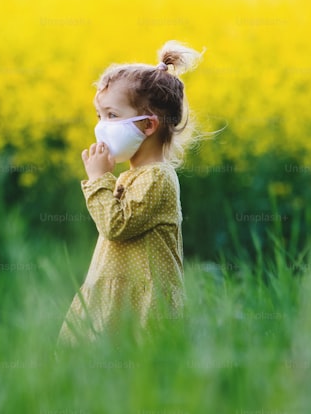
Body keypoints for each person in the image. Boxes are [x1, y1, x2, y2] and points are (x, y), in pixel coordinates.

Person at [57, 40, 205, 347]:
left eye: (111, 115)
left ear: (149, 125)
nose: (101, 127)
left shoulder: (157, 178)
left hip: (144, 304)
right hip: (119, 294)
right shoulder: (134, 174)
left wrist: (99, 179)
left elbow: (115, 226)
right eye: (99, 116)